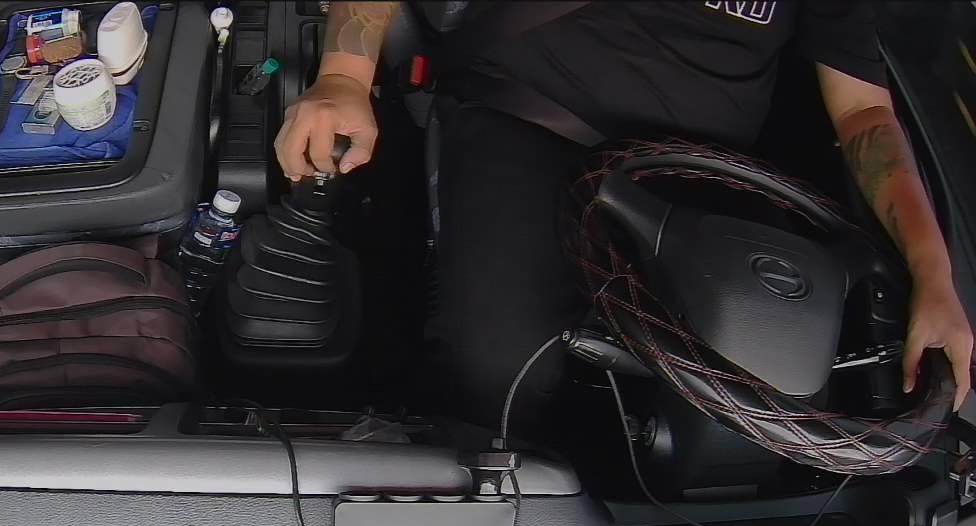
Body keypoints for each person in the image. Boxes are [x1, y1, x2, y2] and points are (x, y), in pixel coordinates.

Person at [274, 1, 974, 433]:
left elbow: (865, 117)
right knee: (496, 377)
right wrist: (343, 75)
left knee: (757, 413)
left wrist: (933, 274)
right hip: (533, 118)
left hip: (705, 180)